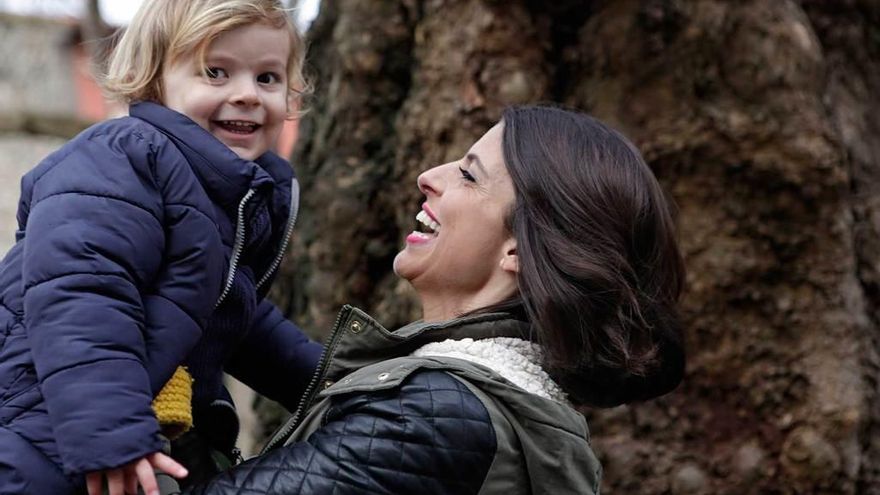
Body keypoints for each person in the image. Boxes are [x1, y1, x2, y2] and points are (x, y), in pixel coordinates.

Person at [186, 105, 687, 494]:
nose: (429, 175)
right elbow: (310, 376)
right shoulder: (468, 403)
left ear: (518, 248)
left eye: (468, 175)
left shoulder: (441, 418)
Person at [0, 1, 323, 494]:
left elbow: (235, 312)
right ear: (154, 81)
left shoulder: (237, 192)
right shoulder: (126, 155)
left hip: (127, 428)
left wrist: (329, 382)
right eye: (216, 72)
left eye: (267, 78)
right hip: (44, 422)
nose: (247, 95)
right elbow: (83, 293)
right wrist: (111, 432)